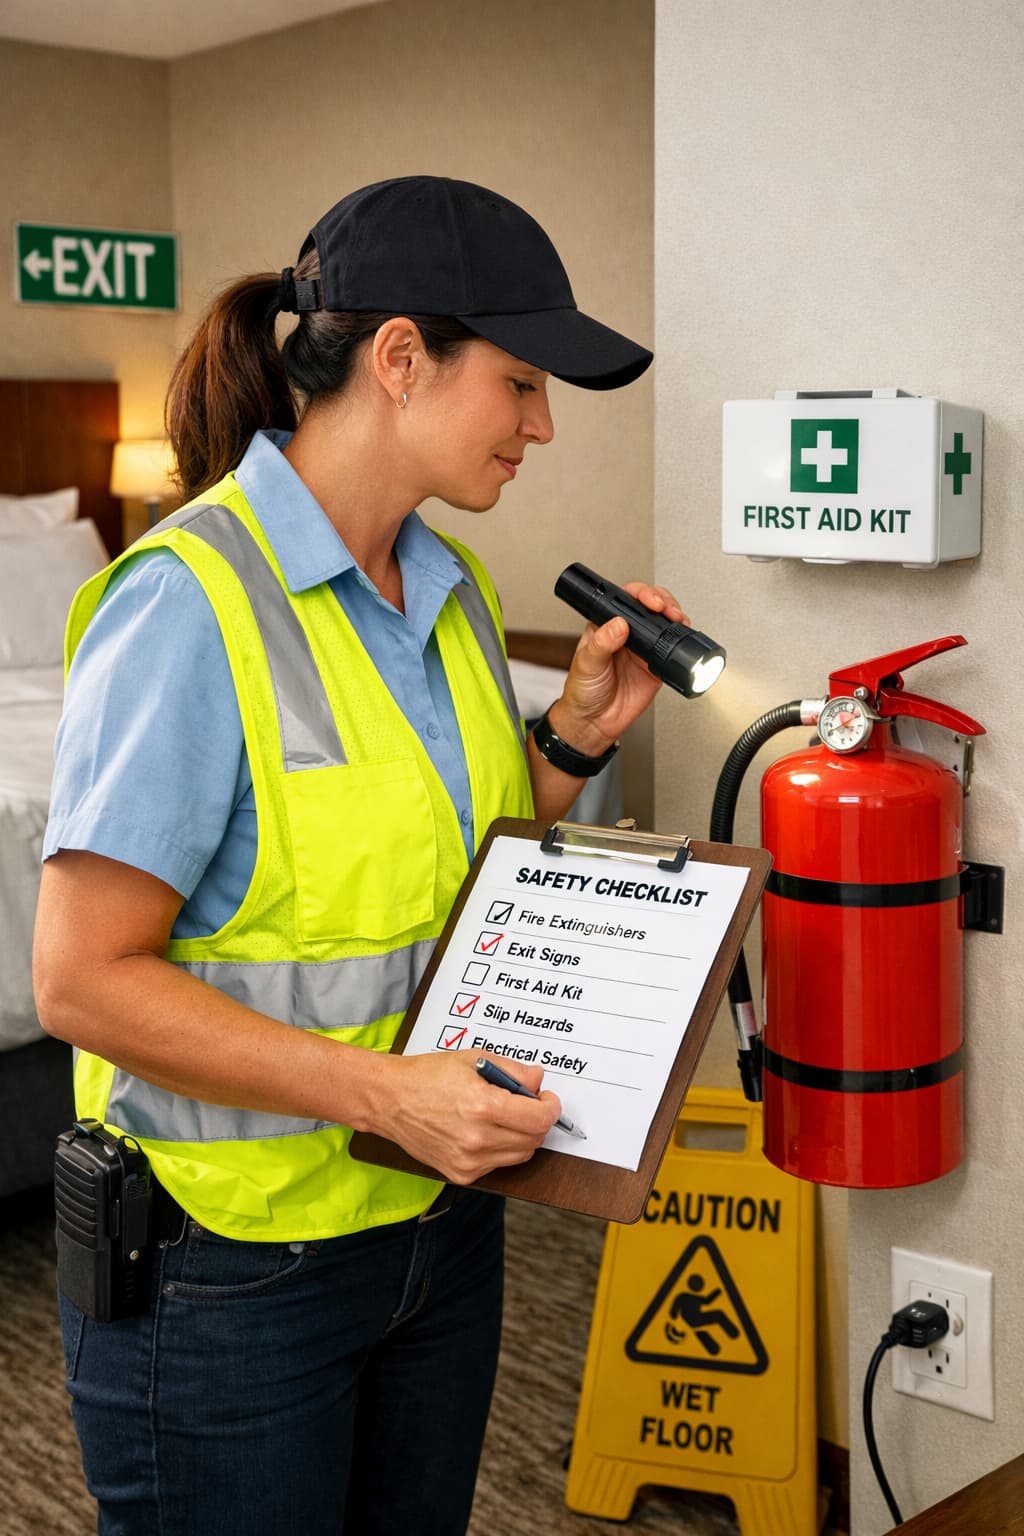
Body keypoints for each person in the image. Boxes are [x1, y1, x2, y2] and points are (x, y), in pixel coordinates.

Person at [33, 174, 687, 1536]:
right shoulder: (189, 606)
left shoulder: (451, 598)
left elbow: (449, 890)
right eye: (517, 382)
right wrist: (387, 1096)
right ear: (400, 359)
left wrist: (567, 742)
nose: (542, 425)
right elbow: (81, 984)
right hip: (229, 1270)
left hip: (434, 1235)